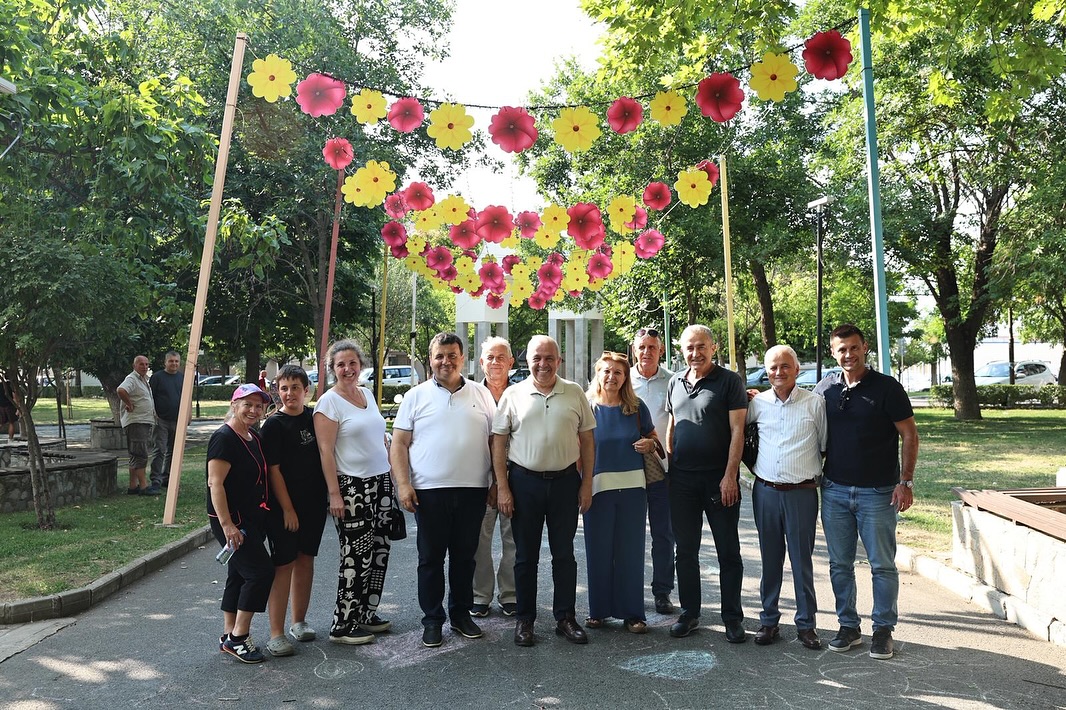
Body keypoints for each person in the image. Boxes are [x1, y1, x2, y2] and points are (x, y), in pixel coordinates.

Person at [814, 324, 919, 660]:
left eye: (854, 348)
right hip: (834, 490)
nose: (849, 355)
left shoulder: (887, 388)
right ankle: (848, 626)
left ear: (865, 347)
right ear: (833, 352)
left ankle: (883, 630)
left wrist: (906, 482)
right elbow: (803, 417)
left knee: (882, 565)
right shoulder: (825, 388)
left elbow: (910, 435)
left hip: (878, 492)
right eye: (842, 349)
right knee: (839, 564)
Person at [391, 332, 496, 648]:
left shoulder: (482, 394)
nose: (445, 361)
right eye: (439, 356)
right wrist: (404, 484)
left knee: (465, 558)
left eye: (452, 355)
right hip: (429, 492)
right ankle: (433, 620)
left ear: (462, 358)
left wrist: (496, 482)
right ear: (430, 359)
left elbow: (495, 441)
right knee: (431, 559)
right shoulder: (415, 396)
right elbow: (399, 443)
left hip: (473, 490)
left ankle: (461, 615)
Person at [493, 335, 596, 647]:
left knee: (564, 555)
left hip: (565, 483)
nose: (543, 364)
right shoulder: (513, 394)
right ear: (527, 361)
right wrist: (503, 487)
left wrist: (587, 484)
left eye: (549, 358)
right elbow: (498, 442)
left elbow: (587, 441)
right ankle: (525, 619)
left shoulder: (574, 392)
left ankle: (565, 618)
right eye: (537, 358)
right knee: (525, 557)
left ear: (559, 361)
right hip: (524, 484)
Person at [665, 325, 748, 642]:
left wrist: (730, 476)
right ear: (682, 350)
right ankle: (690, 613)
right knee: (685, 552)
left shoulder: (729, 381)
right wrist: (671, 467)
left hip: (719, 480)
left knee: (728, 551)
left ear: (714, 348)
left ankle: (732, 618)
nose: (695, 353)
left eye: (701, 346)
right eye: (689, 347)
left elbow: (738, 431)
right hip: (682, 481)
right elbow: (673, 426)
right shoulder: (675, 381)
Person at [314, 339, 396, 646]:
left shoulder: (367, 395)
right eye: (340, 365)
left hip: (381, 482)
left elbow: (379, 438)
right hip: (351, 487)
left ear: (360, 365)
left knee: (378, 551)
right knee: (355, 556)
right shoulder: (329, 403)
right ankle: (343, 623)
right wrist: (334, 494)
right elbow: (325, 452)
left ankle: (365, 613)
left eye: (352, 363)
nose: (347, 369)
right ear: (332, 369)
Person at [746, 345, 827, 650]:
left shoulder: (814, 403)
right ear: (766, 372)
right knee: (770, 559)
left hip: (801, 493)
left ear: (796, 369)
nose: (778, 372)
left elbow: (824, 444)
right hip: (765, 492)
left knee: (801, 560)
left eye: (785, 366)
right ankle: (768, 621)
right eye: (773, 367)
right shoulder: (758, 404)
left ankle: (806, 624)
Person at [583, 351, 657, 634]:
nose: (611, 377)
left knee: (631, 551)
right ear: (597, 374)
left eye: (618, 372)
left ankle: (633, 613)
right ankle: (598, 611)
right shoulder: (587, 407)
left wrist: (650, 445)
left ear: (625, 377)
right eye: (606, 371)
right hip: (597, 489)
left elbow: (653, 437)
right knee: (598, 549)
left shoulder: (636, 407)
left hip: (633, 489)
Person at [260, 364, 328, 657]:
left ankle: (298, 622)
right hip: (283, 508)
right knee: (284, 564)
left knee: (305, 560)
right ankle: (276, 633)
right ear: (278, 391)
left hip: (314, 505)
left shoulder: (315, 418)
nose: (290, 394)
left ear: (306, 390)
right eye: (284, 388)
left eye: (295, 388)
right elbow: (273, 470)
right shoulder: (273, 425)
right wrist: (287, 509)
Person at [208, 383, 275, 664]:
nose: (253, 410)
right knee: (260, 572)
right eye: (247, 404)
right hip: (232, 520)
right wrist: (227, 526)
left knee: (238, 573)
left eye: (259, 406)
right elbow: (215, 483)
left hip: (251, 518)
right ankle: (239, 637)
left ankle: (228, 634)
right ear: (234, 405)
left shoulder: (252, 436)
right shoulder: (224, 438)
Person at [630, 326, 676, 615]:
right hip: (627, 470)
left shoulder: (674, 381)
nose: (647, 352)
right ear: (634, 350)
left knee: (663, 534)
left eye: (652, 347)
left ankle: (662, 591)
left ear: (661, 350)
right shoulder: (620, 379)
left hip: (663, 469)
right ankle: (629, 591)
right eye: (642, 347)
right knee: (630, 535)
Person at [471, 336, 517, 618]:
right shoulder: (471, 395)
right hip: (479, 480)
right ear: (481, 362)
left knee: (514, 540)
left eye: (501, 357)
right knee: (479, 540)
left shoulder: (522, 393)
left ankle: (510, 594)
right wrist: (492, 482)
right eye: (490, 357)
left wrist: (503, 483)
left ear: (511, 362)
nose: (495, 362)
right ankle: (480, 595)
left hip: (516, 479)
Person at [117, 355, 160, 496]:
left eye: (147, 364)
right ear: (134, 365)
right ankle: (143, 486)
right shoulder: (132, 379)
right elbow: (121, 390)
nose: (145, 367)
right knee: (141, 454)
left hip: (143, 421)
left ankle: (133, 486)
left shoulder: (143, 380)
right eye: (141, 364)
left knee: (135, 455)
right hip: (136, 422)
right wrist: (129, 404)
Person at [149, 351, 184, 490]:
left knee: (174, 451)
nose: (174, 363)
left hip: (178, 420)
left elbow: (187, 399)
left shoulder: (182, 378)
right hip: (161, 420)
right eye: (171, 361)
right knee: (160, 449)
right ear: (165, 362)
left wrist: (188, 416)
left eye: (176, 361)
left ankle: (168, 478)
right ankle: (156, 479)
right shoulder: (157, 377)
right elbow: (150, 398)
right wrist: (154, 415)